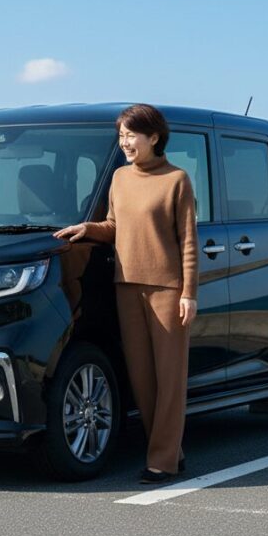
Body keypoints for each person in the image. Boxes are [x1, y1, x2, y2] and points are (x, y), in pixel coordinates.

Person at [54, 104, 198, 484]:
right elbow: (114, 225)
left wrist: (188, 293)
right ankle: (171, 451)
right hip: (126, 285)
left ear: (154, 137)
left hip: (168, 289)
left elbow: (188, 242)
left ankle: (162, 461)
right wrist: (87, 228)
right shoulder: (119, 178)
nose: (125, 143)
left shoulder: (177, 179)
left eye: (131, 135)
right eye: (121, 136)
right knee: (141, 377)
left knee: (170, 378)